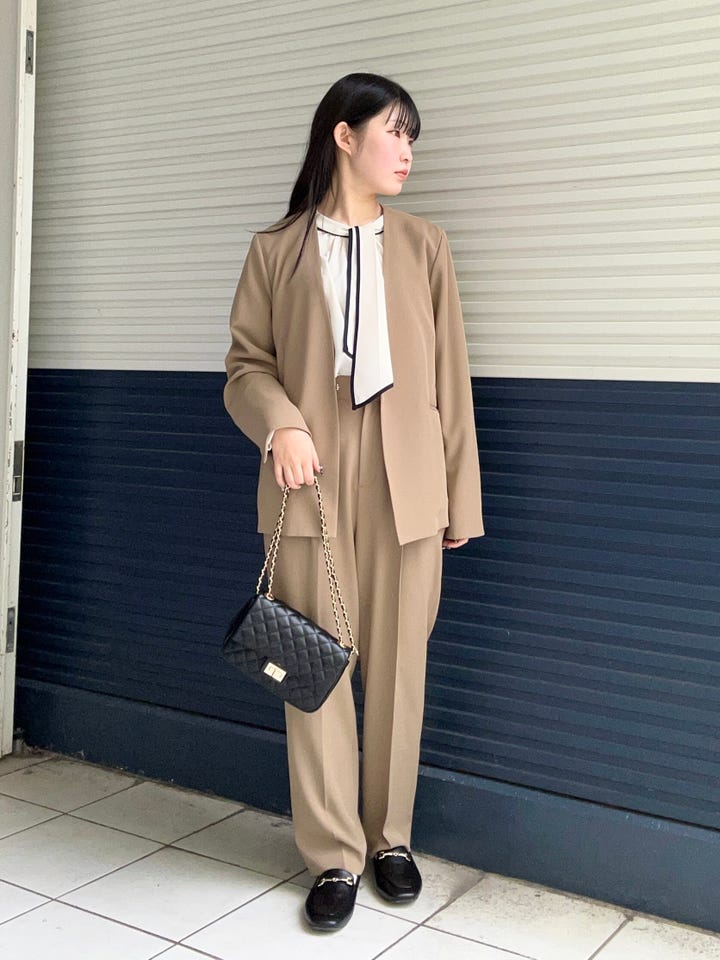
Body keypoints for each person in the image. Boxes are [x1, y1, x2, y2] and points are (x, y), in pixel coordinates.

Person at [224, 72, 483, 932]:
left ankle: (390, 840)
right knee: (315, 668)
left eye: (413, 137)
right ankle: (333, 855)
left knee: (401, 667)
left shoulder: (425, 245)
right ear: (345, 135)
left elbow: (451, 380)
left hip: (409, 475)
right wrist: (282, 424)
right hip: (310, 474)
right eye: (394, 132)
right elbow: (244, 366)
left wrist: (459, 499)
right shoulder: (277, 249)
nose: (407, 151)